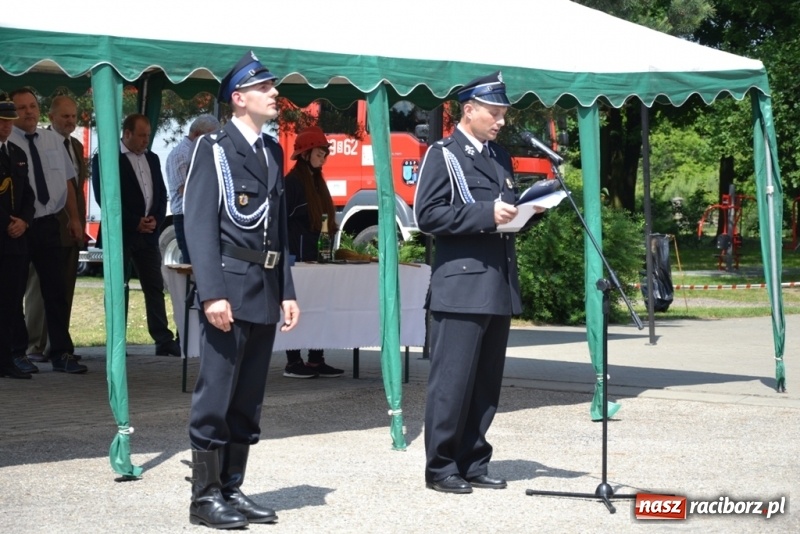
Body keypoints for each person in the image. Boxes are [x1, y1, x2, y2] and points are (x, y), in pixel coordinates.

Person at [182, 51, 299, 528]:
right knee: (216, 395)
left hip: (264, 290)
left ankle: (231, 487)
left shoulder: (271, 150)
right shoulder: (213, 149)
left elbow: (279, 231)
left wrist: (287, 289)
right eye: (265, 88)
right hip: (228, 287)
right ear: (239, 98)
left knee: (248, 398)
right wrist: (211, 293)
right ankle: (204, 497)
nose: (274, 94)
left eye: (273, 86)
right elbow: (199, 225)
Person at [414, 72, 539, 494]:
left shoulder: (499, 157)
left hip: (496, 284)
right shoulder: (444, 154)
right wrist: (488, 214)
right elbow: (427, 216)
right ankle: (442, 467)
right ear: (469, 110)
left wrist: (527, 213)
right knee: (452, 382)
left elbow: (504, 213)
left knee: (485, 383)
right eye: (494, 112)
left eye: (504, 113)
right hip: (461, 286)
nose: (501, 120)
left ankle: (473, 459)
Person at [9, 87, 87, 374]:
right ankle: (18, 351)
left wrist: (75, 218)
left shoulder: (52, 140)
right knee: (15, 290)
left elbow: (66, 182)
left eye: (32, 106)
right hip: (17, 226)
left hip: (48, 223)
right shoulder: (7, 142)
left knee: (56, 289)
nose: (28, 112)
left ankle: (62, 352)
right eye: (21, 108)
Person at [91, 113, 181, 357]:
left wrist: (155, 219)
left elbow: (161, 194)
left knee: (154, 287)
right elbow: (104, 197)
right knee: (118, 288)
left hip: (149, 235)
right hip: (121, 234)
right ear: (127, 133)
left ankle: (163, 339)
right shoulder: (108, 158)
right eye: (141, 135)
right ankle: (116, 341)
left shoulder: (151, 158)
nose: (146, 140)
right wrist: (134, 223)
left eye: (148, 135)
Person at [282, 126, 344, 379]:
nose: (324, 157)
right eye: (320, 153)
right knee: (297, 307)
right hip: (297, 258)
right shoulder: (292, 183)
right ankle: (293, 360)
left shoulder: (317, 181)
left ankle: (316, 359)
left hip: (316, 255)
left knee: (319, 305)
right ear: (305, 153)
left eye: (325, 153)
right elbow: (282, 222)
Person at [0, 97, 36, 379]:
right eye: (2, 122)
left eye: (9, 123)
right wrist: (8, 223)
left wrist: (23, 221)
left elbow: (27, 195)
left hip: (15, 241)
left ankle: (7, 358)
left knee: (11, 303)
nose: (6, 127)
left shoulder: (16, 153)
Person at [165, 113, 220, 264]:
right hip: (187, 217)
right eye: (210, 138)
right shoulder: (181, 154)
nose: (214, 142)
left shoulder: (200, 152)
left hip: (201, 216)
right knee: (193, 266)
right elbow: (186, 191)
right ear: (196, 135)